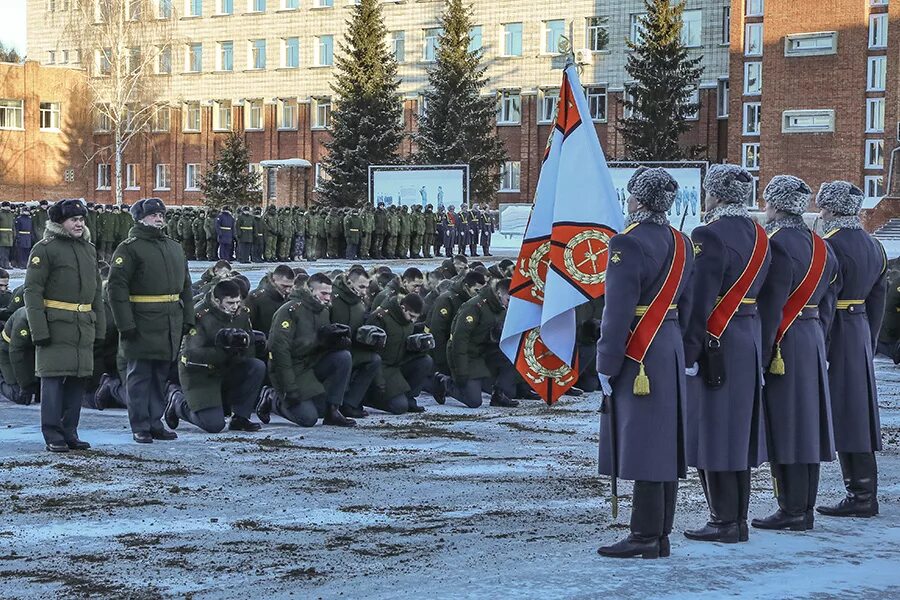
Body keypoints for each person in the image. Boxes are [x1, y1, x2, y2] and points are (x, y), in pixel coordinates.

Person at [595, 168, 694, 559]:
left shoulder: (627, 242)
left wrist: (606, 359)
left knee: (644, 444)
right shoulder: (682, 242)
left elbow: (616, 310)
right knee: (664, 441)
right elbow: (686, 306)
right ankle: (659, 533)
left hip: (640, 349)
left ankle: (644, 536)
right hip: (667, 345)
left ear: (639, 199)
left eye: (632, 194)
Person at [681, 165, 771, 544]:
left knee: (714, 432)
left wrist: (689, 350)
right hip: (748, 337)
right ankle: (738, 518)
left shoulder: (708, 234)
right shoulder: (761, 236)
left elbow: (700, 299)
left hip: (716, 339)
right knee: (738, 434)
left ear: (715, 195)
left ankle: (723, 521)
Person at [752, 175, 838, 532]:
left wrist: (763, 350)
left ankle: (791, 510)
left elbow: (771, 305)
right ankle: (804, 508)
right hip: (813, 336)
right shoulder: (821, 244)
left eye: (768, 201)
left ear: (776, 205)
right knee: (807, 424)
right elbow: (830, 300)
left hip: (783, 341)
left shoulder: (776, 244)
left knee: (787, 424)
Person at [815, 181, 886, 519]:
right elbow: (878, 300)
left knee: (841, 412)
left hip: (835, 330)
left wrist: (823, 339)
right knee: (859, 411)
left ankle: (859, 494)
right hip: (859, 329)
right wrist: (868, 339)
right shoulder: (874, 245)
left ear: (830, 209)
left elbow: (827, 298)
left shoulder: (828, 246)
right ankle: (864, 490)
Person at [108, 198, 194, 444]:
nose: (159, 218)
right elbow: (116, 289)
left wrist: (187, 317)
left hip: (169, 321)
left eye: (161, 214)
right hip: (142, 320)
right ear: (139, 218)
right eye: (153, 214)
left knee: (159, 376)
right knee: (139, 376)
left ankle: (155, 422)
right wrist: (125, 324)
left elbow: (185, 286)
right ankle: (140, 424)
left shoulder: (173, 247)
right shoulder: (129, 248)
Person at [24, 199, 105, 453]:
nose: (79, 224)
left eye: (81, 219)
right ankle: (52, 433)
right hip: (55, 325)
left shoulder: (88, 250)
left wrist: (99, 327)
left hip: (83, 325)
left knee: (77, 381)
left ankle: (70, 430)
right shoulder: (45, 249)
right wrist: (39, 329)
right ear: (60, 223)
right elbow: (32, 291)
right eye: (73, 220)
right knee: (52, 381)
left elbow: (95, 294)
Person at [165, 279, 265, 434]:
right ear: (217, 301)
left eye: (237, 302)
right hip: (201, 374)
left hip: (228, 368)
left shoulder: (242, 314)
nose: (235, 307)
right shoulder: (200, 316)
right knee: (214, 426)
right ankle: (178, 402)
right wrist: (223, 348)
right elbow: (191, 355)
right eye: (230, 303)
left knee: (256, 366)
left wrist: (249, 343)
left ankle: (240, 417)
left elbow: (248, 345)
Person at [258, 273, 356, 427]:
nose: (327, 298)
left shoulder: (323, 311)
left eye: (329, 294)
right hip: (289, 369)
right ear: (310, 290)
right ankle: (272, 398)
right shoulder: (290, 311)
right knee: (308, 419)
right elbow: (279, 352)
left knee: (343, 357)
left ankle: (333, 410)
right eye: (323, 293)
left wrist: (330, 342)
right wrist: (290, 389)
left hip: (309, 364)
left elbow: (314, 345)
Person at [432, 278, 519, 409]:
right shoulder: (474, 307)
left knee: (515, 358)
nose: (509, 305)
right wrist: (461, 372)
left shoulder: (502, 308)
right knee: (474, 401)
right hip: (468, 354)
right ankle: (444, 382)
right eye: (508, 300)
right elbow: (459, 341)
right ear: (499, 293)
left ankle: (498, 395)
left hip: (485, 351)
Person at [365, 294, 434, 414]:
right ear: (402, 308)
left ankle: (410, 398)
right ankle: (367, 398)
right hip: (382, 367)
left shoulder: (408, 321)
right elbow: (370, 354)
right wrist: (379, 381)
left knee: (425, 360)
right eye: (411, 316)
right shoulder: (380, 317)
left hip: (397, 365)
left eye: (416, 318)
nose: (413, 320)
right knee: (399, 407)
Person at [330, 268, 384, 418]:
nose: (365, 291)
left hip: (350, 348)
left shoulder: (358, 302)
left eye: (367, 287)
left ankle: (350, 402)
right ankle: (335, 403)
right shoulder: (333, 298)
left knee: (373, 359)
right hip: (330, 352)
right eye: (361, 286)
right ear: (349, 282)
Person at [425, 271, 486, 376]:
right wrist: (442, 361)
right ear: (466, 286)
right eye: (476, 290)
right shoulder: (447, 300)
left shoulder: (475, 301)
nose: (479, 294)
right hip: (444, 350)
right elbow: (437, 331)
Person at [245, 265, 294, 335]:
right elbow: (246, 325)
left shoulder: (291, 298)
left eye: (290, 286)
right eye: (284, 286)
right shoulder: (255, 299)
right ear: (274, 280)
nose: (288, 290)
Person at [0, 201, 14, 269]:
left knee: (7, 251)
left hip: (9, 235)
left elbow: (13, 226)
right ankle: (3, 264)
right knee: (2, 251)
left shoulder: (11, 214)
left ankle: (6, 264)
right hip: (2, 235)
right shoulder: (0, 214)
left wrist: (14, 234)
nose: (7, 207)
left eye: (8, 206)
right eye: (6, 206)